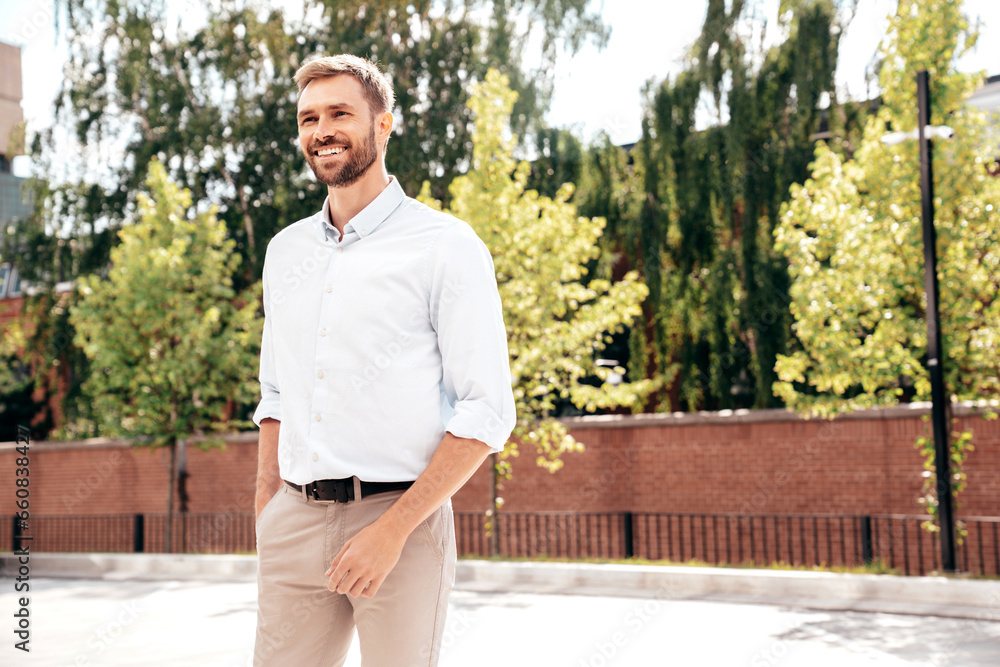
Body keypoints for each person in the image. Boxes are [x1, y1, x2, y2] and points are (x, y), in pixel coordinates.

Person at [251, 54, 516, 666]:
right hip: (293, 518)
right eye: (308, 118)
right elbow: (277, 391)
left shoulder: (445, 246)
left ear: (384, 125)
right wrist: (268, 504)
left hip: (401, 521)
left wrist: (394, 529)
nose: (322, 130)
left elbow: (486, 410)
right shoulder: (284, 252)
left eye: (341, 112)